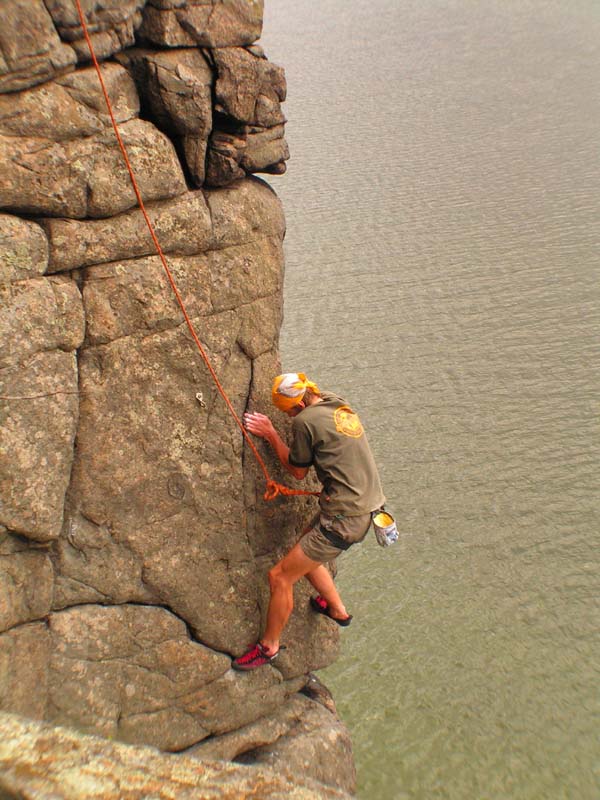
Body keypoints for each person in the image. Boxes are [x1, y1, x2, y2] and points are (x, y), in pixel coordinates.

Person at [232, 372, 386, 671]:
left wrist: (271, 434)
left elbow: (297, 471)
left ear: (300, 404)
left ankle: (269, 647)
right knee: (304, 553)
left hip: (343, 519)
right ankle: (338, 610)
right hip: (363, 505)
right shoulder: (335, 403)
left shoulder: (305, 422)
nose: (288, 418)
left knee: (280, 577)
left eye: (288, 412)